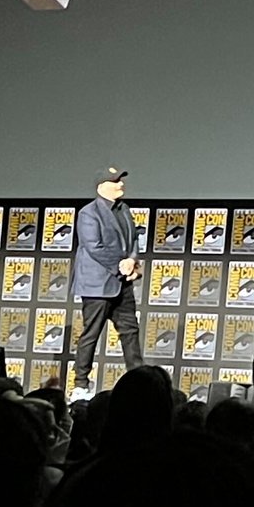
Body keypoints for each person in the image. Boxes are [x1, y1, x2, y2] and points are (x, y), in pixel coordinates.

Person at [70, 167, 143, 397]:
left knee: (130, 333)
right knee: (91, 334)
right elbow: (94, 246)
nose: (121, 184)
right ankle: (81, 385)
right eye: (115, 181)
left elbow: (133, 239)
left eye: (121, 180)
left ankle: (140, 383)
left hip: (122, 284)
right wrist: (121, 265)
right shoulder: (88, 213)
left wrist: (132, 260)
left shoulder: (124, 209)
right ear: (102, 187)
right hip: (97, 285)